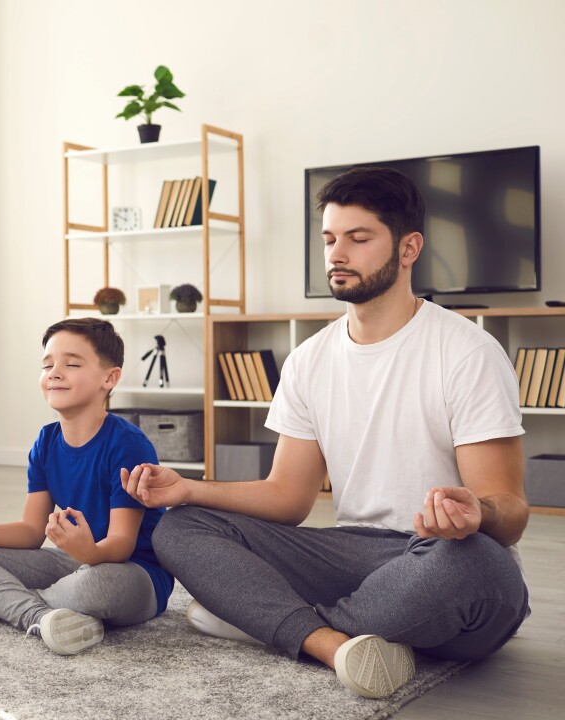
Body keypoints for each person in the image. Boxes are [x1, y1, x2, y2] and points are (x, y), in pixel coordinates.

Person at [126, 167, 530, 699]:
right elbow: (287, 497)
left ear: (409, 248)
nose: (338, 253)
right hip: (351, 555)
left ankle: (270, 620)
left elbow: (510, 511)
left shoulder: (467, 352)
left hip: (440, 557)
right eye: (330, 239)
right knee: (179, 527)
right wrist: (189, 489)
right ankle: (331, 643)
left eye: (359, 239)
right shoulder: (308, 359)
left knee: (479, 567)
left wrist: (477, 513)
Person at [0, 318, 173, 656]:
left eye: (71, 364)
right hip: (72, 560)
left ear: (110, 378)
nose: (55, 372)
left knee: (96, 587)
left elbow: (120, 544)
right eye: (47, 365)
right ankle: (41, 617)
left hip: (133, 573)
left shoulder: (128, 445)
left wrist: (90, 554)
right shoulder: (45, 441)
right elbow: (31, 532)